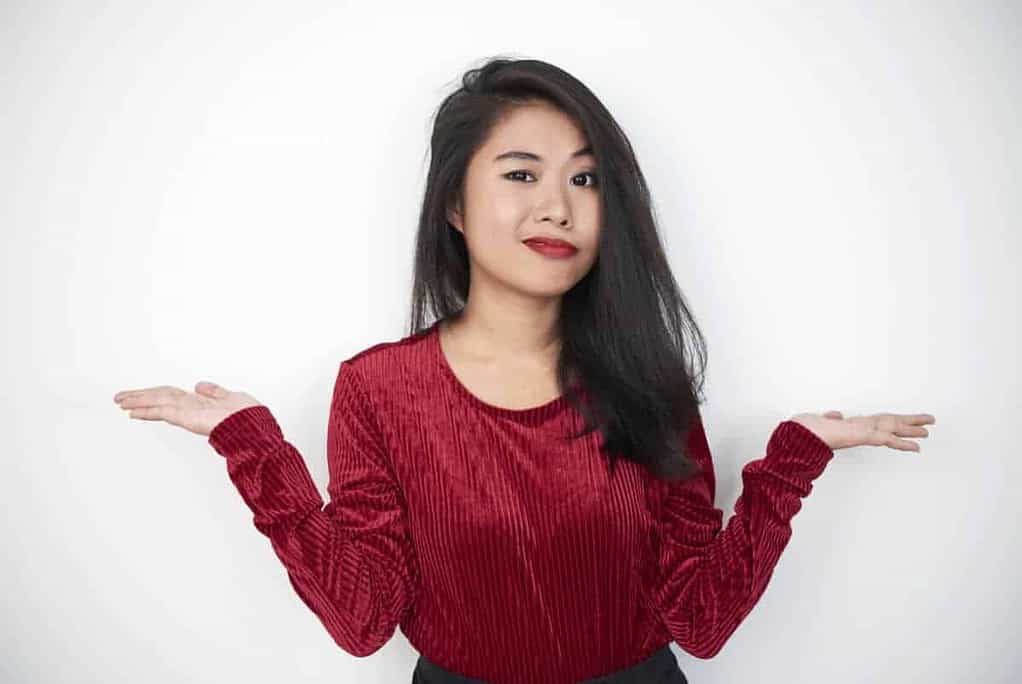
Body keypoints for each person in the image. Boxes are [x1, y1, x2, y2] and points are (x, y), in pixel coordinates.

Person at [112, 56, 936, 683]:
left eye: (586, 178)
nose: (558, 206)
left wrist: (794, 460)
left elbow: (703, 619)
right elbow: (362, 620)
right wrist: (253, 449)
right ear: (455, 206)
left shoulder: (649, 380)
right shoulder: (377, 389)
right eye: (520, 175)